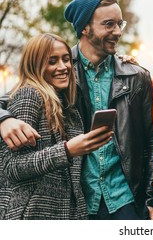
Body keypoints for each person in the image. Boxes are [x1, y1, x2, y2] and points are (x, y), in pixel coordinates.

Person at [0, 0, 153, 220]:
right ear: (85, 28)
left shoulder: (136, 76)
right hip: (77, 201)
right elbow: (16, 95)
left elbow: (150, 141)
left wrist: (150, 199)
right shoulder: (58, 71)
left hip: (125, 199)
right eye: (109, 24)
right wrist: (4, 119)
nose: (118, 32)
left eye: (119, 24)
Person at [0, 33, 113, 219]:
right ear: (36, 66)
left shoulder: (69, 107)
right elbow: (12, 167)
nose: (63, 67)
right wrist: (67, 150)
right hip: (31, 214)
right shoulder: (29, 96)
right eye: (52, 61)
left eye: (66, 59)